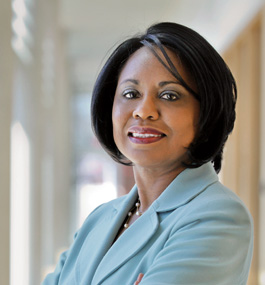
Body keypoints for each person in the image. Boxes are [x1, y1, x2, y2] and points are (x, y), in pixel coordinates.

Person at [43, 22, 253, 285]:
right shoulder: (99, 219)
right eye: (130, 93)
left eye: (169, 95)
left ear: (206, 113)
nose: (144, 111)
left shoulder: (218, 217)